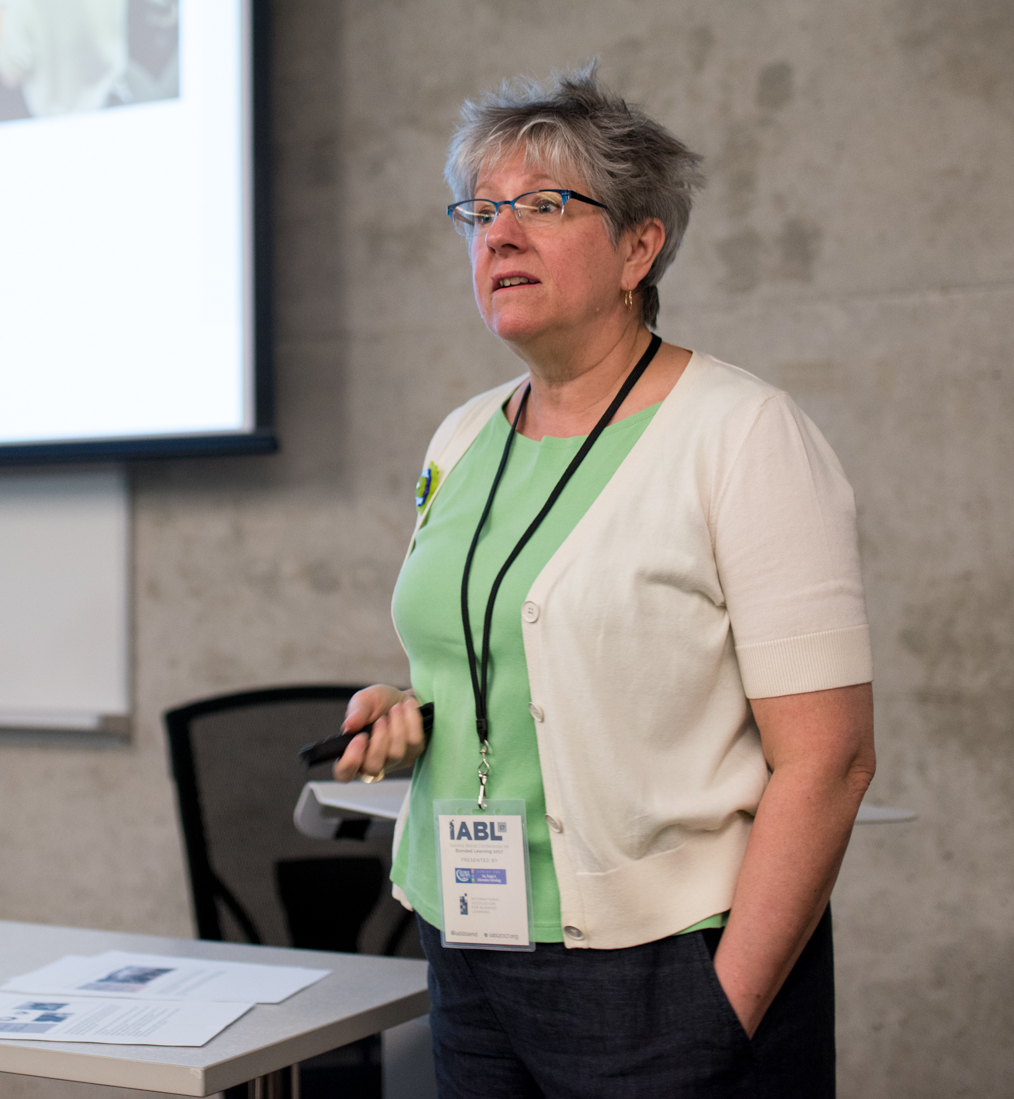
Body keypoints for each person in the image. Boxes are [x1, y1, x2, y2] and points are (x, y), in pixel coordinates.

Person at [335, 67, 875, 1096]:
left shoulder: (742, 433)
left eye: (543, 205)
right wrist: (407, 707)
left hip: (666, 965)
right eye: (480, 212)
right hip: (469, 943)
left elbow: (832, 761)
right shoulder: (463, 436)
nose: (499, 236)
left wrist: (723, 1014)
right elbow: (524, 655)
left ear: (639, 247)